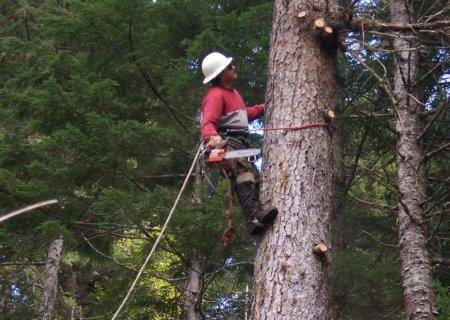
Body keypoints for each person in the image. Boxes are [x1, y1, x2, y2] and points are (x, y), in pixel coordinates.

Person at [200, 52, 278, 235]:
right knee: (244, 175)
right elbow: (208, 123)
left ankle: (260, 213)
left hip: (240, 146)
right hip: (229, 145)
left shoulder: (232, 93)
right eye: (229, 67)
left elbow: (242, 114)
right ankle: (253, 219)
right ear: (220, 75)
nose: (233, 68)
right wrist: (213, 138)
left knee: (256, 178)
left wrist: (261, 109)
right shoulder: (215, 94)